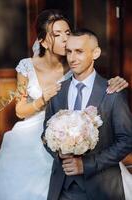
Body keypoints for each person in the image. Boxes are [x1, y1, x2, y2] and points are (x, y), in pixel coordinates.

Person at [0, 10, 129, 200]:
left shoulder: (75, 64)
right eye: (57, 35)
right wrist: (43, 99)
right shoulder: (27, 66)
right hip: (37, 132)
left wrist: (118, 81)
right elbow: (19, 110)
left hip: (76, 133)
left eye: (67, 32)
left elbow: (94, 84)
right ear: (43, 41)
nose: (65, 39)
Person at [43, 29, 132, 200]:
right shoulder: (58, 93)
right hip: (62, 188)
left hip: (102, 188)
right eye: (69, 51)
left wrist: (87, 164)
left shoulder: (112, 92)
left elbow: (127, 140)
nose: (72, 58)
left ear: (95, 53)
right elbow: (44, 135)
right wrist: (59, 152)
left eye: (79, 51)